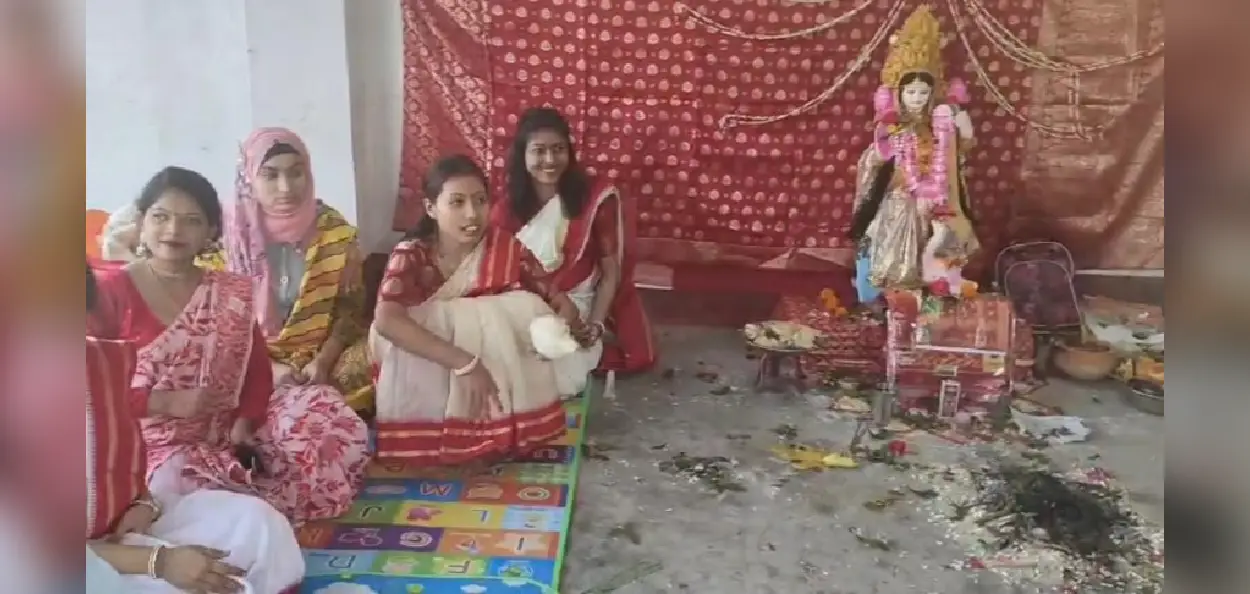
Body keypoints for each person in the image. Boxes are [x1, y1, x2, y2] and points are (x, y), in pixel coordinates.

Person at [89, 165, 370, 523]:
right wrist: (164, 402)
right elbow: (84, 388)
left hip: (229, 425)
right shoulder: (109, 292)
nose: (173, 230)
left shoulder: (228, 291)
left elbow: (255, 366)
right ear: (142, 222)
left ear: (211, 231)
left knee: (320, 413)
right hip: (151, 439)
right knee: (179, 486)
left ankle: (256, 496)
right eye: (161, 217)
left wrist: (245, 422)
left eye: (191, 221)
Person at [86, 264, 305, 594]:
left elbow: (116, 467)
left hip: (118, 532)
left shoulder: (98, 362)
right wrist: (159, 561)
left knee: (259, 526)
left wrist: (144, 505)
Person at [370, 155, 589, 464]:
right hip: (432, 364)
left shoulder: (505, 248)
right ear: (431, 208)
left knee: (519, 308)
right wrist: (464, 363)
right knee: (461, 317)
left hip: (494, 366)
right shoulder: (412, 254)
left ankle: (499, 430)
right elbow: (386, 321)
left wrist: (561, 329)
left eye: (480, 201)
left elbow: (556, 299)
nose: (472, 214)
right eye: (457, 203)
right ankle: (441, 432)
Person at [200, 127, 375, 415]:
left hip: (317, 357)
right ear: (249, 178)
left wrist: (322, 361)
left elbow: (349, 310)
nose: (286, 187)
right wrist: (269, 369)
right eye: (270, 175)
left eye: (296, 173)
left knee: (379, 353)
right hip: (246, 358)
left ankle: (306, 407)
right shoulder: (227, 237)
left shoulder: (334, 232)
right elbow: (212, 323)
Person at [490, 107, 657, 394]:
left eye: (558, 149)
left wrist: (596, 324)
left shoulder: (593, 198)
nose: (550, 160)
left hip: (579, 303)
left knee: (556, 366)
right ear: (523, 156)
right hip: (527, 301)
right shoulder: (507, 209)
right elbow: (497, 273)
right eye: (539, 151)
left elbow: (610, 270)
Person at [848, 6, 980, 296]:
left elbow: (958, 153)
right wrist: (893, 168)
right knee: (895, 238)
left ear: (932, 93)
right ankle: (893, 299)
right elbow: (877, 160)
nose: (917, 98)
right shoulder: (891, 125)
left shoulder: (941, 122)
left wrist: (961, 126)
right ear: (899, 93)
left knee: (941, 241)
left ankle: (929, 295)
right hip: (899, 198)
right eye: (911, 92)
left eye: (923, 92)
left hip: (937, 199)